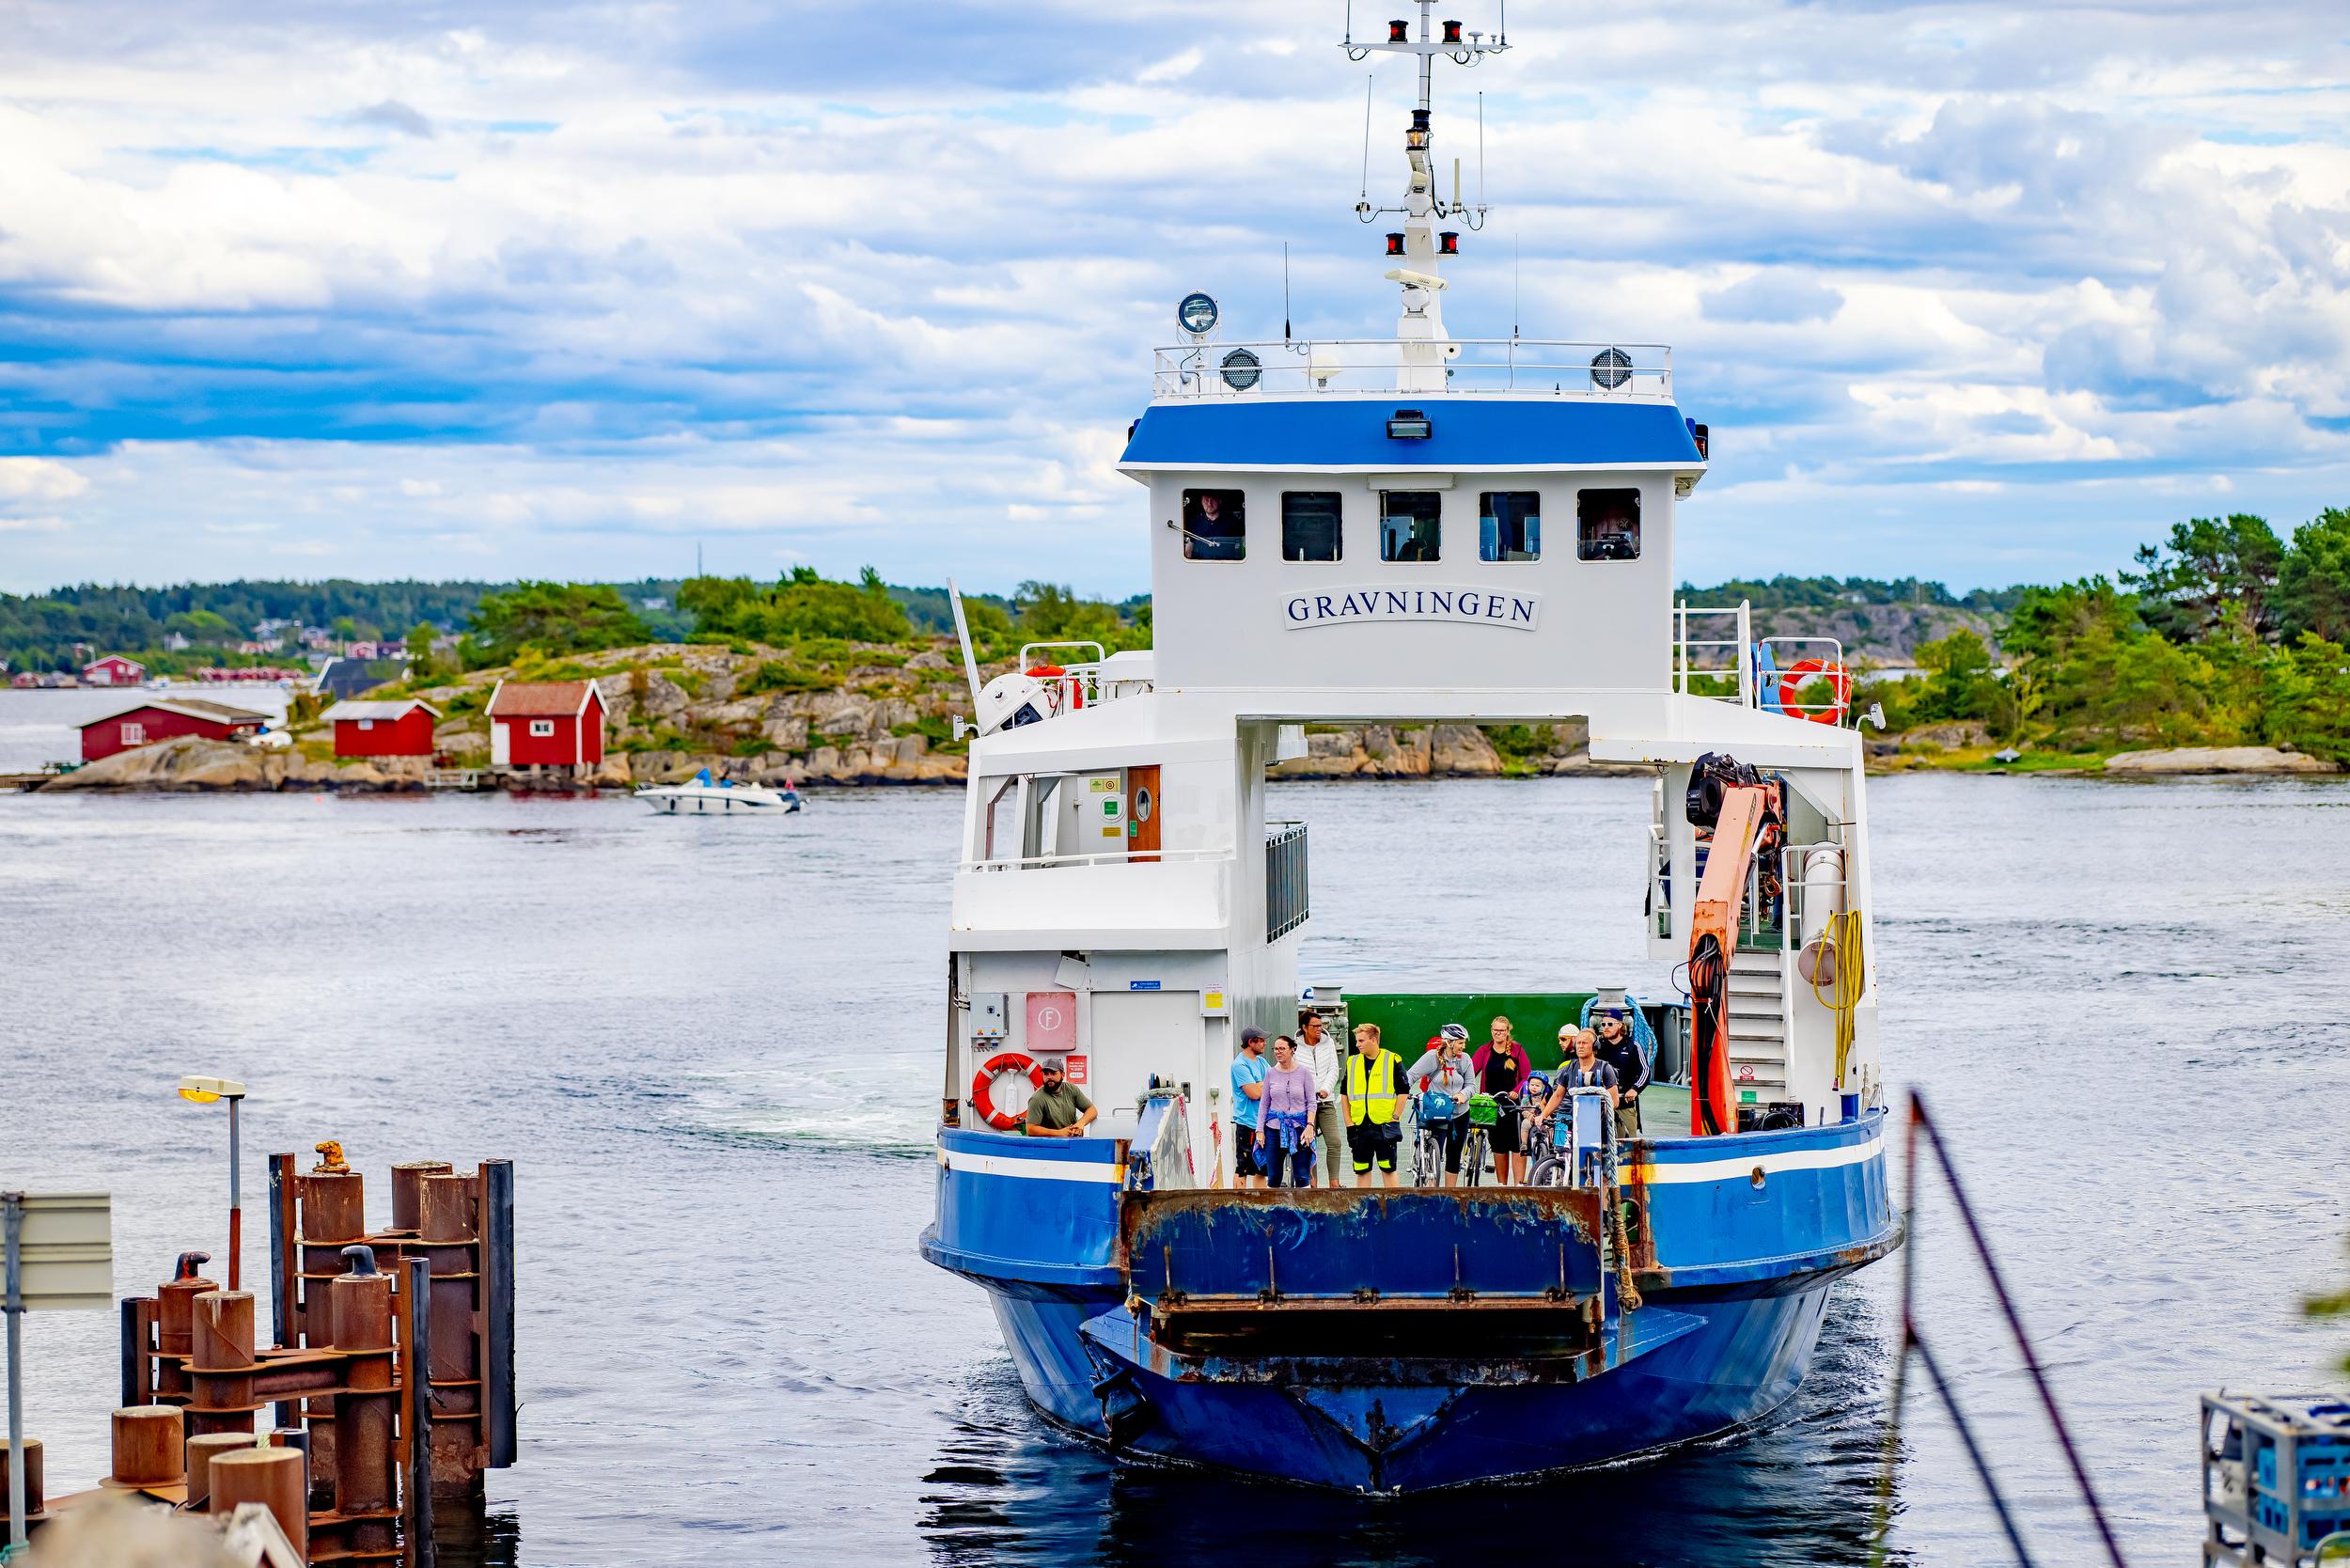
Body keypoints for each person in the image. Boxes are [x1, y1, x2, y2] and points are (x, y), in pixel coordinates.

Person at [1405, 1023, 1479, 1186]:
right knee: (1435, 1154)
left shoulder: (1465, 1059)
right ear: (1449, 1042)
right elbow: (1411, 1075)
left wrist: (1462, 1095)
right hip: (1436, 1111)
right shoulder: (1432, 1057)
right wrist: (1403, 1091)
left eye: (1464, 1042)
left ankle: (1450, 1194)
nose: (1463, 1046)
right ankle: (1432, 1188)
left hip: (1460, 1112)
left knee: (1454, 1155)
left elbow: (1472, 1086)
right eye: (1460, 1042)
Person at [1471, 1014, 1533, 1184]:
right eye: (1495, 1030)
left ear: (1507, 1031)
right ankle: (1502, 1186)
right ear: (1491, 1030)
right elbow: (1470, 1072)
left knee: (1516, 1144)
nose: (1498, 1033)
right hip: (1491, 1106)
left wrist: (1515, 1091)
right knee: (1498, 1146)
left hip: (1513, 1106)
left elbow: (1527, 1076)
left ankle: (1519, 1185)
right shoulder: (1484, 1050)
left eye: (1501, 1031)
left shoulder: (1517, 1050)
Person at [1343, 1023, 1407, 1188]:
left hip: (1384, 1125)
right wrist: (1349, 1123)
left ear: (1374, 1040)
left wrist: (1395, 1118)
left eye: (1361, 1040)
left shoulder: (1392, 1060)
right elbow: (1344, 1094)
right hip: (1359, 1126)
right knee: (1362, 1169)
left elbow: (1403, 1092)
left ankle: (1393, 1207)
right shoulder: (1352, 1062)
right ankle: (1365, 1210)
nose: (1357, 1044)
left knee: (1388, 1168)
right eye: (1357, 1040)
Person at [1257, 1035, 1319, 1188]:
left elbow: (1311, 1102)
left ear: (1292, 1050)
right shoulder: (1270, 1073)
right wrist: (1259, 1130)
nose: (1278, 1052)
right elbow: (1264, 1104)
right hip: (1273, 1129)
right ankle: (1273, 1210)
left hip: (1299, 1128)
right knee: (1274, 1176)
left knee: (1302, 1174)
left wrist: (1310, 1126)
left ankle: (1303, 1211)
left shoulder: (1304, 1073)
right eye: (1275, 1049)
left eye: (1282, 1048)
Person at [1298, 1011, 1347, 1186]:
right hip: (1304, 1105)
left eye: (1321, 1025)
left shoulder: (1329, 1043)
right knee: (1308, 1144)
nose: (1320, 1029)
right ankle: (1313, 1184)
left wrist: (1326, 1089)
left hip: (1325, 1102)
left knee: (1335, 1142)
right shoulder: (1295, 1046)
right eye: (1315, 1026)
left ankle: (1334, 1183)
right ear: (1304, 1028)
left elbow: (1334, 1069)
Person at [1540, 1027, 1619, 1128]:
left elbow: (1614, 1101)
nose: (1581, 1046)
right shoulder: (1568, 1069)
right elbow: (1558, 1096)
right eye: (1578, 1043)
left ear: (1594, 1046)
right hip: (1571, 1121)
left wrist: (1600, 1114)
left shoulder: (1605, 1068)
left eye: (1585, 1043)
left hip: (1599, 1124)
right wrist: (1543, 1115)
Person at [1592, 1008, 1651, 1139]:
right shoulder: (1598, 1047)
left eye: (1610, 1024)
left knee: (1629, 1144)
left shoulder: (1633, 1046)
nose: (1606, 1027)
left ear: (1620, 1025)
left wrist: (1635, 1089)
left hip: (1625, 1103)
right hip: (1602, 1104)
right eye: (1603, 1024)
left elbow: (1645, 1071)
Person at [1229, 1027, 1268, 1189]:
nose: (1265, 1043)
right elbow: (1254, 1093)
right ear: (1251, 1042)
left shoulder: (1262, 1062)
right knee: (1243, 1168)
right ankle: (1240, 1206)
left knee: (1262, 1169)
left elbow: (1275, 1083)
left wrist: (1261, 1084)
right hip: (1247, 1124)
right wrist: (1262, 1085)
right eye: (1261, 1040)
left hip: (1263, 1124)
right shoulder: (1239, 1065)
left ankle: (1260, 1208)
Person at [1023, 1058, 1097, 1138]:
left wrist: (1080, 1124)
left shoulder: (1071, 1089)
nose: (1049, 1077)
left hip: (1073, 1142)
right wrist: (1059, 1133)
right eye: (1046, 1074)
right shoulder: (1037, 1098)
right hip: (1051, 1146)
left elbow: (1092, 1110)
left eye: (1053, 1073)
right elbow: (1030, 1129)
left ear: (1062, 1075)